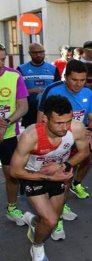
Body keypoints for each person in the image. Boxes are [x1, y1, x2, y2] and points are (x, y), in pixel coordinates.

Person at [10, 95, 89, 261]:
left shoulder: (76, 128)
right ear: (45, 119)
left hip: (58, 175)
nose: (65, 127)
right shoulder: (30, 136)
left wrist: (65, 165)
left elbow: (84, 152)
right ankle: (37, 246)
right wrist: (48, 176)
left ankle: (33, 223)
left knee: (51, 218)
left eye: (68, 121)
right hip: (33, 176)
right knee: (51, 221)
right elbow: (15, 171)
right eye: (59, 123)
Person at [38, 60, 92, 203]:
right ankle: (57, 202)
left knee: (86, 159)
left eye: (83, 80)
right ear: (66, 77)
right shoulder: (53, 90)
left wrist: (90, 129)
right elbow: (40, 119)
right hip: (57, 138)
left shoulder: (88, 93)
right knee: (61, 173)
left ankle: (76, 184)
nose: (79, 84)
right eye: (74, 80)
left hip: (78, 137)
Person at [0, 43, 29, 226]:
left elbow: (23, 106)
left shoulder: (14, 75)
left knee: (11, 174)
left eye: (2, 59)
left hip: (9, 134)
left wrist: (6, 122)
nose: (1, 63)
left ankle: (11, 208)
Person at [17, 43, 60, 128]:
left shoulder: (53, 69)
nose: (38, 55)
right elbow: (17, 91)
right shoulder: (21, 69)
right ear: (30, 53)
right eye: (35, 53)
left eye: (41, 52)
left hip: (49, 111)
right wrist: (32, 91)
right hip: (30, 112)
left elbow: (58, 89)